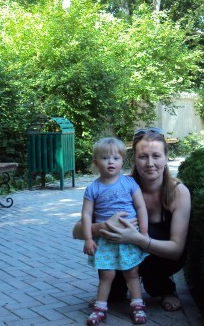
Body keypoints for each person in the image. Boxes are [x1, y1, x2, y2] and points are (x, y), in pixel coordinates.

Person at [73, 128, 191, 312]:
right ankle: (114, 289)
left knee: (151, 240)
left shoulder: (178, 192)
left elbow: (176, 251)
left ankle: (164, 288)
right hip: (122, 251)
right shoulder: (118, 186)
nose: (150, 163)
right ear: (134, 159)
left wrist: (137, 238)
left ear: (166, 158)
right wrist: (103, 226)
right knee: (113, 289)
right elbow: (77, 231)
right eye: (143, 157)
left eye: (156, 156)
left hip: (161, 257)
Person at [81, 137, 149, 326]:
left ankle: (138, 306)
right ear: (96, 162)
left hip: (129, 237)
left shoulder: (129, 183)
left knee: (132, 273)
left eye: (115, 158)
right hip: (106, 240)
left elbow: (141, 207)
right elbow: (86, 215)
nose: (110, 162)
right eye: (105, 158)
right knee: (106, 275)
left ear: (122, 161)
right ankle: (100, 308)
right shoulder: (92, 189)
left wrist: (143, 233)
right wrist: (88, 238)